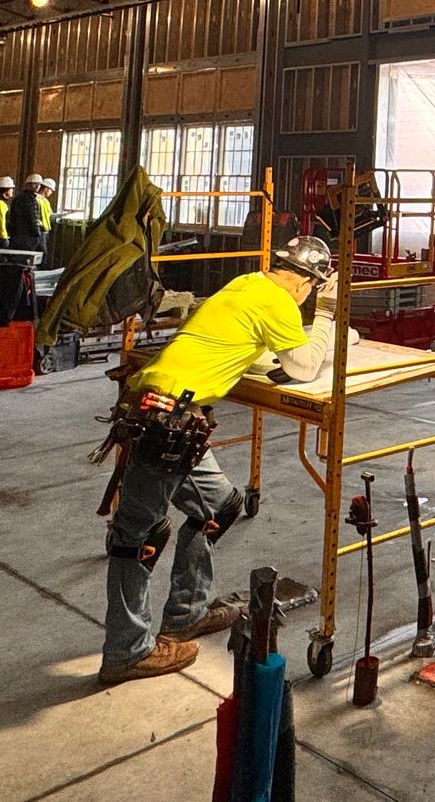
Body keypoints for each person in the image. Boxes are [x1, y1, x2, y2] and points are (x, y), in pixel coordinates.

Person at [96, 236, 339, 685]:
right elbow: (305, 367)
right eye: (313, 291)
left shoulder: (246, 284)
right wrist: (326, 313)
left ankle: (186, 613)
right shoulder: (281, 302)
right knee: (137, 536)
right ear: (308, 283)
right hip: (167, 417)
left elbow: (236, 341)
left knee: (220, 507)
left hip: (174, 416)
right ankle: (126, 652)